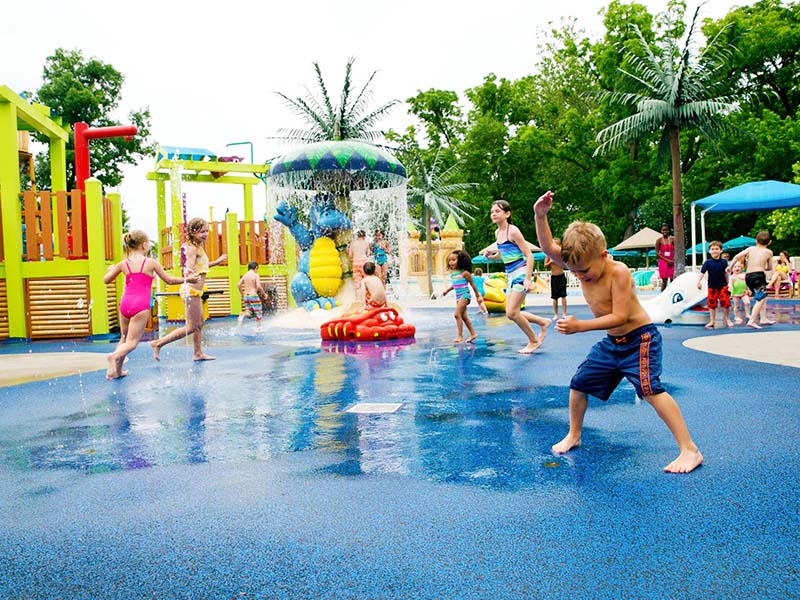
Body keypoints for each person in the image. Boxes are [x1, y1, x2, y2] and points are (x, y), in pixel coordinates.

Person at [534, 190, 703, 474]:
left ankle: (689, 449)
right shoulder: (580, 261)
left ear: (603, 255)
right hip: (613, 342)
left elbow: (620, 315)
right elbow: (549, 247)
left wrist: (580, 327)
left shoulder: (619, 272)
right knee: (578, 384)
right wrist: (540, 216)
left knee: (650, 390)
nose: (580, 276)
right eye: (573, 271)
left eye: (584, 271)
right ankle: (574, 434)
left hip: (641, 339)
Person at [103, 230, 197, 379]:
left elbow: (106, 280)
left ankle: (117, 370)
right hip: (140, 305)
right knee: (132, 342)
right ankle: (114, 357)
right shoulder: (150, 263)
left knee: (124, 338)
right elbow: (169, 280)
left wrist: (111, 269)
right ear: (144, 245)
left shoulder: (123, 264)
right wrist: (188, 280)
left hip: (125, 303)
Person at [150, 217, 227, 361]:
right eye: (201, 232)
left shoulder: (198, 247)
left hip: (196, 290)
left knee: (200, 323)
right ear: (192, 232)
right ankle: (158, 343)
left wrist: (218, 261)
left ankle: (198, 353)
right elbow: (189, 267)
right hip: (190, 290)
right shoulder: (191, 249)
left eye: (206, 231)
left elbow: (203, 265)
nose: (205, 234)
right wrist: (188, 273)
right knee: (192, 326)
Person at [485, 199, 551, 353]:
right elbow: (504, 255)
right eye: (492, 211)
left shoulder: (513, 231)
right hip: (510, 274)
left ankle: (533, 340)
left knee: (512, 313)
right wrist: (493, 256)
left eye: (497, 211)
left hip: (521, 273)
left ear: (507, 214)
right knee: (512, 312)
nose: (493, 214)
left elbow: (529, 255)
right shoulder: (498, 233)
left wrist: (528, 279)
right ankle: (542, 321)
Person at [729, 231, 775, 329]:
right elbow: (770, 267)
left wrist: (730, 267)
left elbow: (737, 256)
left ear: (756, 241)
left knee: (763, 296)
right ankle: (752, 320)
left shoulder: (750, 248)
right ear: (769, 242)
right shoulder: (769, 252)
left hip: (748, 276)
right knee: (761, 298)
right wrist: (765, 267)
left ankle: (763, 318)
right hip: (758, 276)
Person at [442, 250, 483, 344]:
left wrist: (478, 296)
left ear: (460, 260)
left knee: (457, 315)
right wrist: (447, 291)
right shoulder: (453, 273)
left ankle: (460, 336)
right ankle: (473, 334)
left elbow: (473, 285)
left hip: (465, 296)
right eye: (449, 260)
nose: (451, 262)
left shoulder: (465, 273)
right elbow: (455, 285)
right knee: (464, 317)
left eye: (453, 260)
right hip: (458, 297)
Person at [696, 240, 733, 329]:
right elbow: (702, 272)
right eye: (712, 249)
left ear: (721, 250)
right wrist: (698, 281)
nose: (714, 251)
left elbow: (726, 273)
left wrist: (728, 284)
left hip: (723, 286)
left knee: (726, 303)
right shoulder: (707, 262)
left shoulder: (724, 262)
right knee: (712, 304)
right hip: (712, 286)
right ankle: (712, 320)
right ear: (709, 251)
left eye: (717, 249)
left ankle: (727, 319)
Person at [237, 261, 265, 331]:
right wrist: (264, 294)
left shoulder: (245, 275)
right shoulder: (255, 275)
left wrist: (242, 294)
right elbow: (258, 286)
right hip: (253, 296)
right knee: (258, 312)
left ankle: (243, 314)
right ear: (255, 267)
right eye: (257, 269)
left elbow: (238, 285)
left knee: (249, 312)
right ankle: (258, 329)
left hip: (246, 296)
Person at [545, 238, 568, 320]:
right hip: (554, 277)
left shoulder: (561, 254)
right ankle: (556, 314)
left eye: (555, 244)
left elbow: (565, 264)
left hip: (561, 276)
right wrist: (551, 262)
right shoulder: (548, 254)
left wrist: (558, 260)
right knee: (554, 297)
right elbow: (545, 265)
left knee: (563, 296)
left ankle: (564, 313)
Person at [347, 230, 370, 300]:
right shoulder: (366, 243)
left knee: (357, 283)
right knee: (366, 280)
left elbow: (350, 255)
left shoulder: (353, 243)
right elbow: (368, 253)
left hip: (355, 263)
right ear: (364, 236)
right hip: (364, 263)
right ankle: (366, 299)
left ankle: (358, 299)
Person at [729, 261, 751, 325]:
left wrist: (748, 289)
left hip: (743, 292)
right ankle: (736, 316)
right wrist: (730, 288)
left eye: (738, 266)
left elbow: (746, 283)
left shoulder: (743, 275)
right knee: (736, 306)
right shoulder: (732, 277)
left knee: (747, 302)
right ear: (732, 269)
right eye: (735, 267)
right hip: (736, 293)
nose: (737, 268)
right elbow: (730, 284)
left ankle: (747, 314)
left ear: (741, 268)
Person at [655, 223, 675, 291]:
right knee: (664, 281)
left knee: (673, 280)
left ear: (668, 230)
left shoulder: (672, 239)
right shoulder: (659, 240)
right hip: (663, 261)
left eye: (666, 230)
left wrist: (673, 260)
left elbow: (677, 250)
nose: (665, 232)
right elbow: (657, 254)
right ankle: (662, 297)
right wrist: (667, 260)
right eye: (663, 230)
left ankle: (672, 295)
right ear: (661, 231)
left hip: (672, 261)